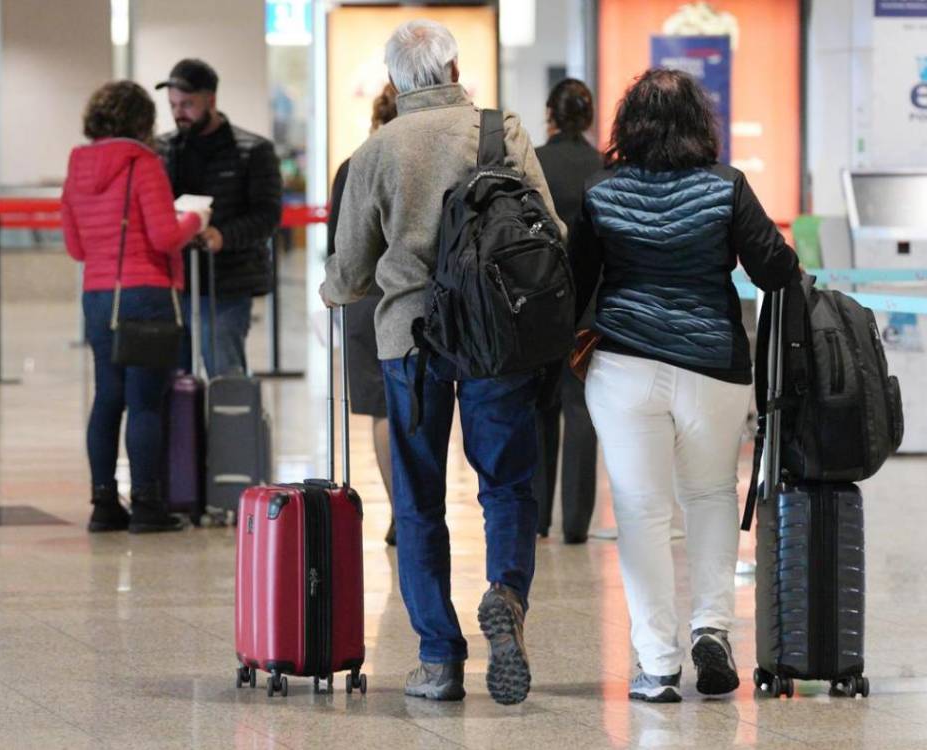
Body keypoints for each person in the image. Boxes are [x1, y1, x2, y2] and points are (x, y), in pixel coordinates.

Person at [321, 19, 562, 706]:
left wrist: (333, 288)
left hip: (412, 341)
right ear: (455, 69)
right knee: (506, 483)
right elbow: (551, 229)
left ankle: (438, 659)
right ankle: (506, 595)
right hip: (496, 337)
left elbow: (351, 273)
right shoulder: (500, 131)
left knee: (420, 500)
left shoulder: (376, 150)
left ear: (395, 82)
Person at [569, 69, 798, 703]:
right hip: (712, 368)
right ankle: (713, 629)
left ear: (627, 126)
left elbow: (575, 283)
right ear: (701, 123)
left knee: (641, 513)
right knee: (709, 497)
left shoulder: (599, 191)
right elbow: (776, 270)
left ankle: (658, 663)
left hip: (625, 368)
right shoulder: (726, 188)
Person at [61, 81, 212, 534]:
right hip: (145, 294)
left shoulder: (77, 165)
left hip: (98, 295)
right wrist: (196, 218)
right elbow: (165, 237)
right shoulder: (143, 163)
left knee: (107, 398)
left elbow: (74, 246)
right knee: (145, 400)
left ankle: (104, 503)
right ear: (142, 121)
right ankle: (147, 504)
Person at [155, 59, 283, 377]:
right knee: (173, 380)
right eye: (173, 105)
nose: (179, 112)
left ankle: (230, 428)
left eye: (188, 104)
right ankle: (184, 430)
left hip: (228, 282)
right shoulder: (162, 149)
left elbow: (267, 215)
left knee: (225, 372)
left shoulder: (253, 151)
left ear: (210, 100)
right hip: (174, 280)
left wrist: (222, 236)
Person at [327, 83, 399, 548]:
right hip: (414, 298)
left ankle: (400, 512)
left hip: (365, 300)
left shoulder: (353, 166)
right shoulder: (423, 162)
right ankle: (419, 505)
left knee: (381, 410)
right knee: (418, 405)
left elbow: (339, 246)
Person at [532, 79, 602, 545]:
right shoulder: (604, 167)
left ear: (549, 115)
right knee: (581, 411)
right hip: (592, 303)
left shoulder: (532, 161)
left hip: (539, 297)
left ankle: (537, 517)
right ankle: (576, 523)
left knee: (540, 407)